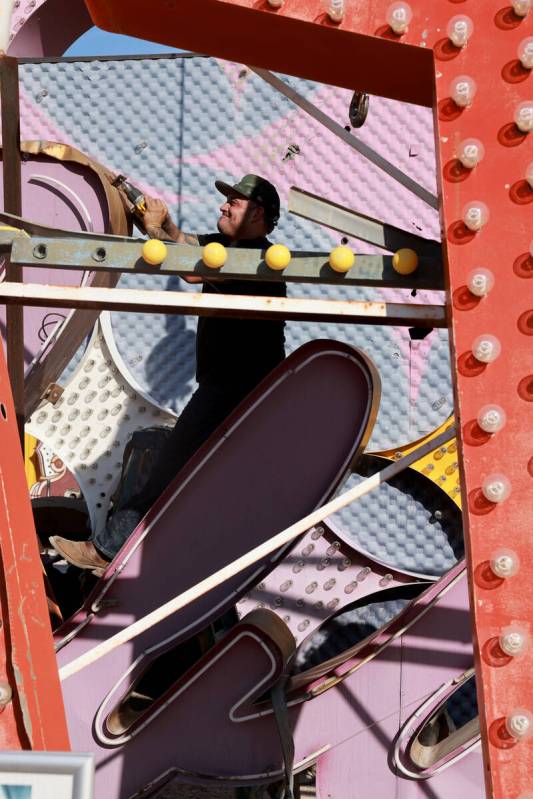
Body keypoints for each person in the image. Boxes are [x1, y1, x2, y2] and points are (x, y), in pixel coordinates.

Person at [50, 175, 286, 573]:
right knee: (195, 474)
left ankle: (107, 552)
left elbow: (192, 270)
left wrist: (157, 231)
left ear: (257, 213)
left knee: (171, 465)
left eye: (233, 202)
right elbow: (185, 242)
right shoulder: (228, 246)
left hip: (240, 388)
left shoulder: (260, 258)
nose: (223, 207)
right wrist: (154, 219)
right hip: (231, 386)